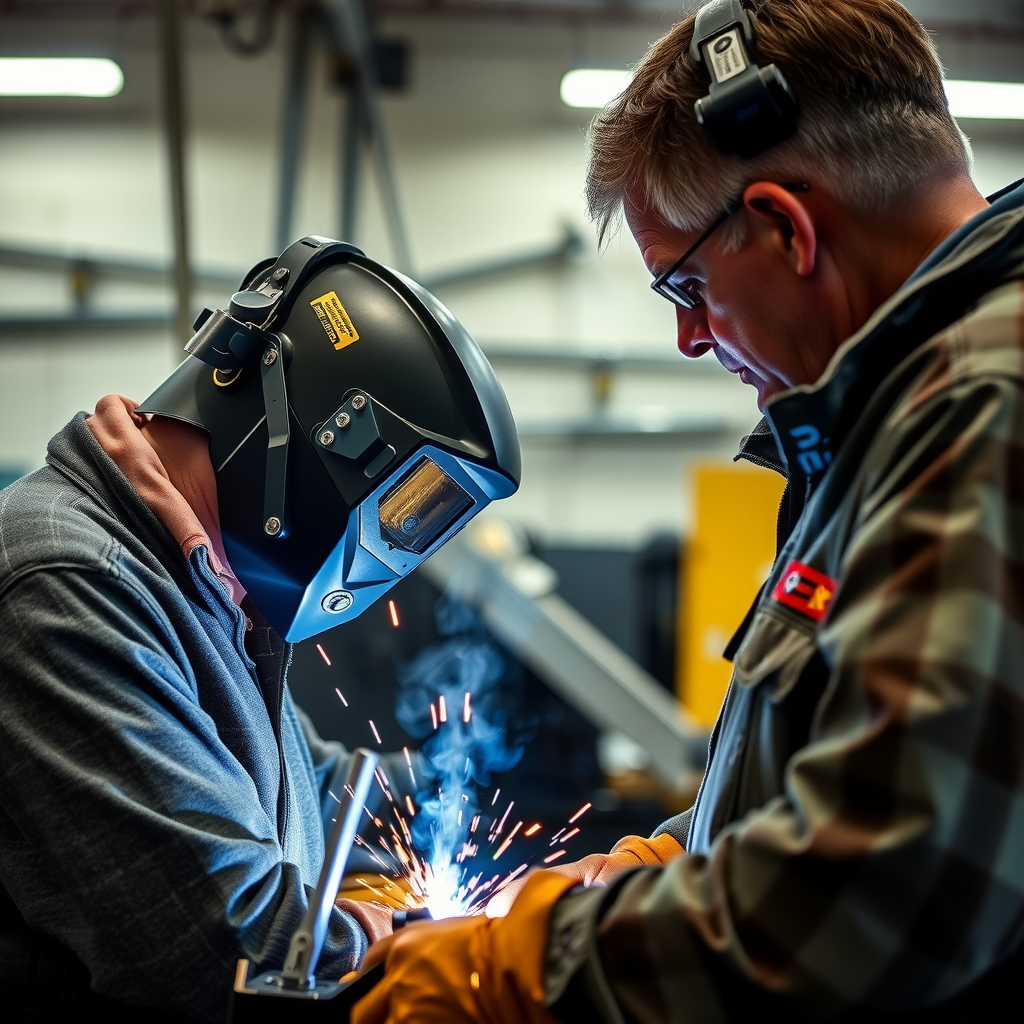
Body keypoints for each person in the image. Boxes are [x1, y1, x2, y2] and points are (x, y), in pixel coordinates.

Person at [352, 1, 1024, 1021]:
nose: (690, 339)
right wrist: (659, 864)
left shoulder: (979, 408)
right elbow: (829, 781)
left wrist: (522, 968)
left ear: (784, 227)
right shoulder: (883, 421)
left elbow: (884, 887)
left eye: (687, 288)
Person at [0, 238, 520, 1021]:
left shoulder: (207, 587)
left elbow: (306, 782)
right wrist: (441, 946)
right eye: (399, 510)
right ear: (313, 435)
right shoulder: (71, 584)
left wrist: (468, 823)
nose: (389, 555)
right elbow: (233, 943)